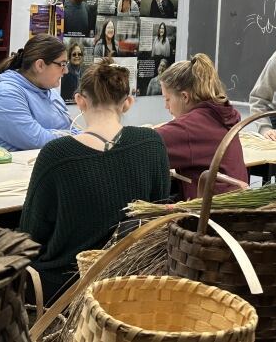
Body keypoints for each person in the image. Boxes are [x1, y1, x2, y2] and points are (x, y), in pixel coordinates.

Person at [19, 58, 170, 301]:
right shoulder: (152, 143)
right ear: (128, 103)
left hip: (64, 288)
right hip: (130, 281)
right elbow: (159, 214)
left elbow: (30, 235)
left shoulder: (56, 154)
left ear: (79, 101)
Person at [155, 54, 247, 200]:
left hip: (209, 215)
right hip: (232, 206)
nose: (166, 106)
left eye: (167, 99)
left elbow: (145, 145)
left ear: (185, 97)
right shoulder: (219, 113)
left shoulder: (190, 128)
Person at [0, 34, 72, 151]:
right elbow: (38, 140)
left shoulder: (50, 92)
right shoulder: (4, 94)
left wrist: (89, 137)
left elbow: (71, 128)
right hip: (14, 168)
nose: (66, 71)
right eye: (62, 64)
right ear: (40, 65)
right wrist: (80, 139)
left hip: (48, 165)